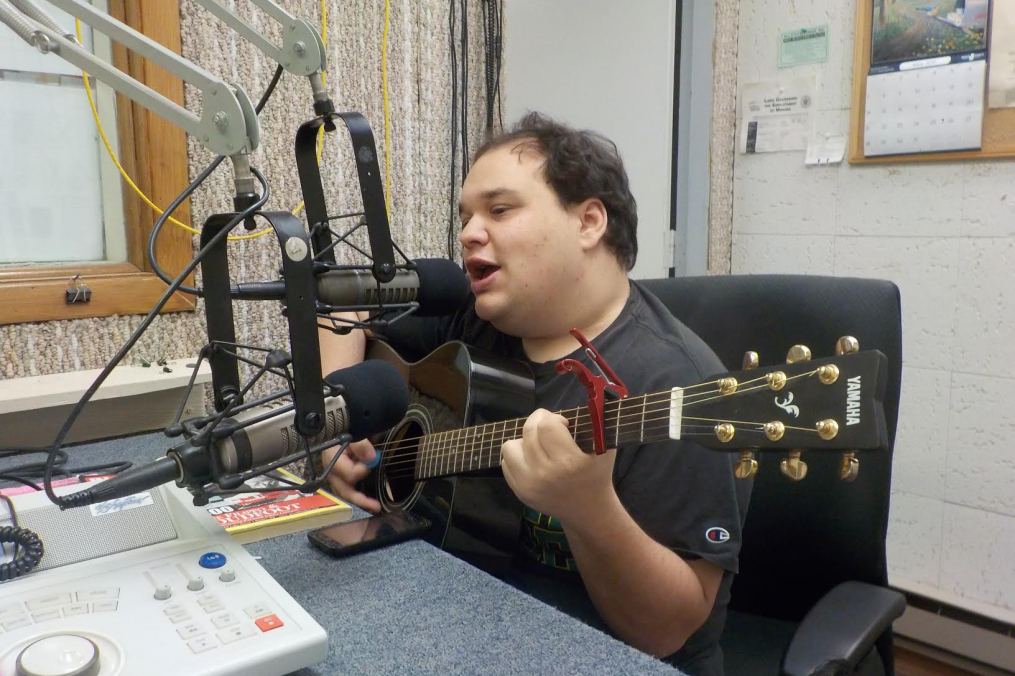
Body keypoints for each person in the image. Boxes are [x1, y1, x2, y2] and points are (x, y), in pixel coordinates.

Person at [318, 112, 751, 676]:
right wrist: (335, 431)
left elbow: (666, 632)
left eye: (499, 210)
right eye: (466, 216)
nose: (470, 232)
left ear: (589, 221)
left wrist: (588, 506)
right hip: (447, 612)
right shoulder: (470, 322)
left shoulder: (676, 386)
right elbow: (337, 301)